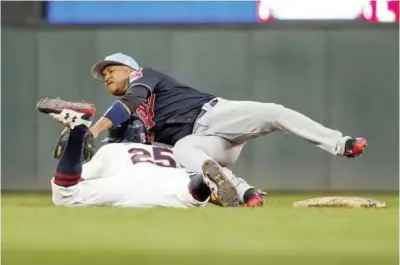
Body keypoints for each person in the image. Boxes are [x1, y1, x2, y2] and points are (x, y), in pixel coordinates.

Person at [39, 52, 368, 207]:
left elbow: (125, 106)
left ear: (129, 68)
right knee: (184, 151)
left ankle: (340, 144)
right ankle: (244, 193)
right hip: (208, 144)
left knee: (273, 113)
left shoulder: (144, 78)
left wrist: (92, 130)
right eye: (104, 75)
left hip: (216, 115)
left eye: (111, 70)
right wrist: (78, 138)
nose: (107, 76)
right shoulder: (137, 117)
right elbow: (129, 143)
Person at [36, 99, 240, 208]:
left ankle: (78, 129)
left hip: (127, 187)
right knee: (193, 197)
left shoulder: (112, 149)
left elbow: (76, 177)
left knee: (65, 194)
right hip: (175, 190)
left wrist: (73, 151)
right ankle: (202, 183)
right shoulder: (169, 151)